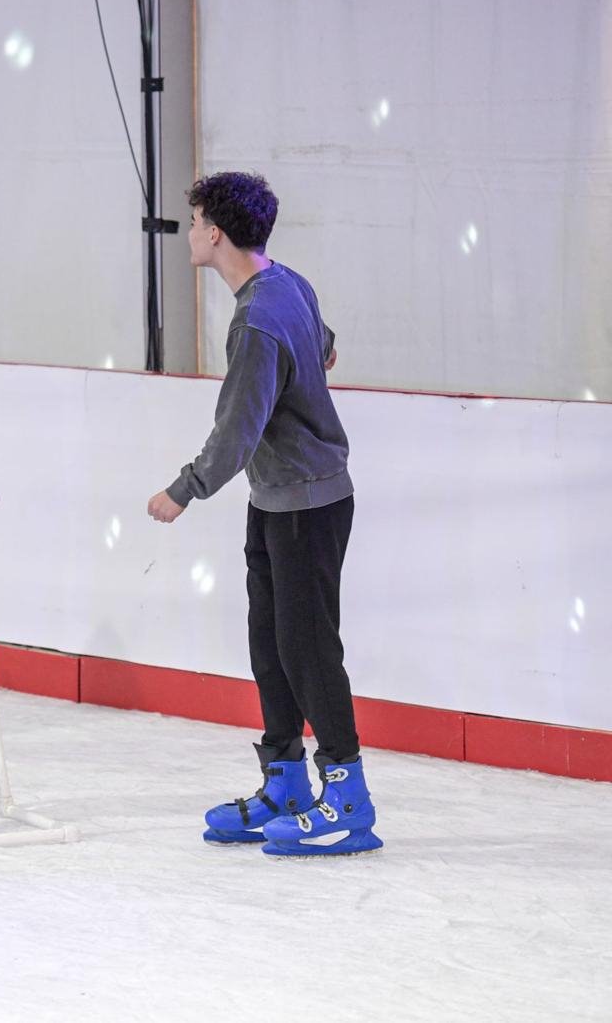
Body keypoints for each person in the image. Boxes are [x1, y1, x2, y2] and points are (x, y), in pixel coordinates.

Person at [146, 171, 380, 858]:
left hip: (306, 503)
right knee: (272, 645)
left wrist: (183, 489)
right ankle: (285, 781)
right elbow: (325, 341)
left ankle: (349, 798)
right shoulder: (286, 285)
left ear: (214, 232)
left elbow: (237, 430)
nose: (189, 234)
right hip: (280, 498)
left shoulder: (255, 319)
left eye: (192, 223)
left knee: (308, 652)